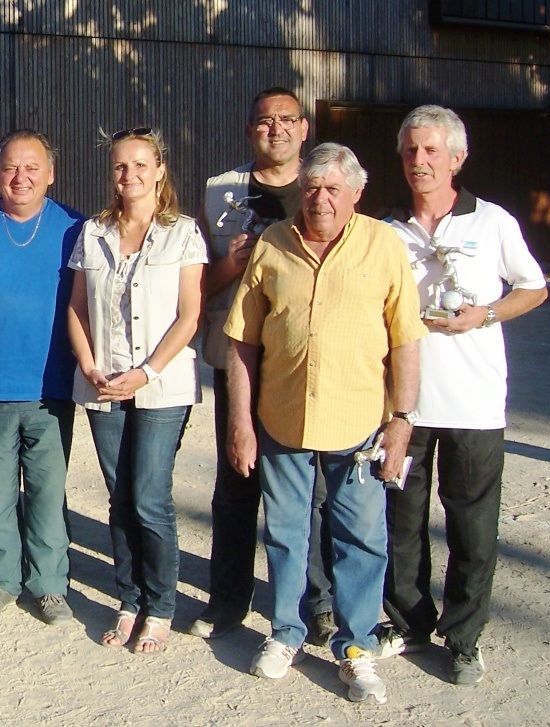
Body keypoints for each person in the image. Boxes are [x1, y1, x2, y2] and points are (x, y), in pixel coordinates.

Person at [225, 142, 427, 704]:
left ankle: (357, 646)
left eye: (334, 189)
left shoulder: (383, 245)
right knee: (285, 532)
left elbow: (406, 339)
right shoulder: (273, 243)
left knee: (362, 538)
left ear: (356, 192)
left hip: (360, 422)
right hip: (282, 418)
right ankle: (286, 632)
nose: (320, 199)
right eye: (312, 187)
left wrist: (402, 421)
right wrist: (240, 422)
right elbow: (242, 341)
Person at [377, 105, 547, 685]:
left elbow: (533, 287)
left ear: (457, 158)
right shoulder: (386, 228)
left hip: (475, 404)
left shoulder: (492, 222)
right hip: (406, 405)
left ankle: (464, 637)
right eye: (410, 150)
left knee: (472, 527)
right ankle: (408, 622)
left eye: (430, 150)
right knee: (401, 522)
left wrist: (486, 314)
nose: (419, 161)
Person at [191, 87, 337, 645]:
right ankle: (228, 599)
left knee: (311, 491)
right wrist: (231, 264)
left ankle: (314, 603)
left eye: (286, 119)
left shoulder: (326, 187)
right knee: (237, 483)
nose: (275, 129)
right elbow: (195, 287)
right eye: (264, 121)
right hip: (239, 359)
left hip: (306, 363)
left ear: (304, 128)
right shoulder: (220, 191)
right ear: (250, 129)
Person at [66, 128, 206, 653]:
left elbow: (189, 315)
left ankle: (161, 606)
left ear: (160, 170)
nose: (130, 175)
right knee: (120, 497)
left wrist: (147, 372)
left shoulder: (183, 233)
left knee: (149, 496)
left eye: (141, 165)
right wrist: (89, 366)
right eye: (121, 166)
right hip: (104, 384)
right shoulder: (93, 232)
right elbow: (77, 308)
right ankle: (129, 600)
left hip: (161, 385)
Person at [0, 129, 85, 625]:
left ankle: (49, 586)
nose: (20, 177)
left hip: (51, 389)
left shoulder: (75, 229)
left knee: (47, 495)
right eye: (10, 167)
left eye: (32, 167)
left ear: (51, 174)